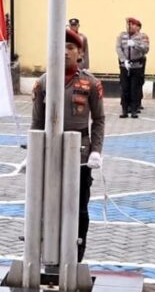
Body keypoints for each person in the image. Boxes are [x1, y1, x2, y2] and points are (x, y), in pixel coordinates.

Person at [30, 27, 105, 262]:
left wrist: (96, 151)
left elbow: (99, 119)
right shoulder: (43, 82)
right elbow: (37, 121)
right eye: (60, 47)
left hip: (80, 155)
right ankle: (48, 251)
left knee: (79, 208)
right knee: (47, 204)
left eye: (70, 48)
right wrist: (32, 154)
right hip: (50, 153)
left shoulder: (91, 83)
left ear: (79, 53)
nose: (65, 52)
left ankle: (75, 254)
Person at [115, 17, 149, 118]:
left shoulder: (141, 37)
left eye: (132, 25)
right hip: (125, 65)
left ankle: (134, 109)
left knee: (134, 88)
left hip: (136, 65)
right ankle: (124, 110)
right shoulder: (121, 36)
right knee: (124, 88)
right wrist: (123, 60)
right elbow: (118, 48)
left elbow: (145, 49)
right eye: (128, 25)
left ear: (136, 26)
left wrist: (135, 45)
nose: (129, 27)